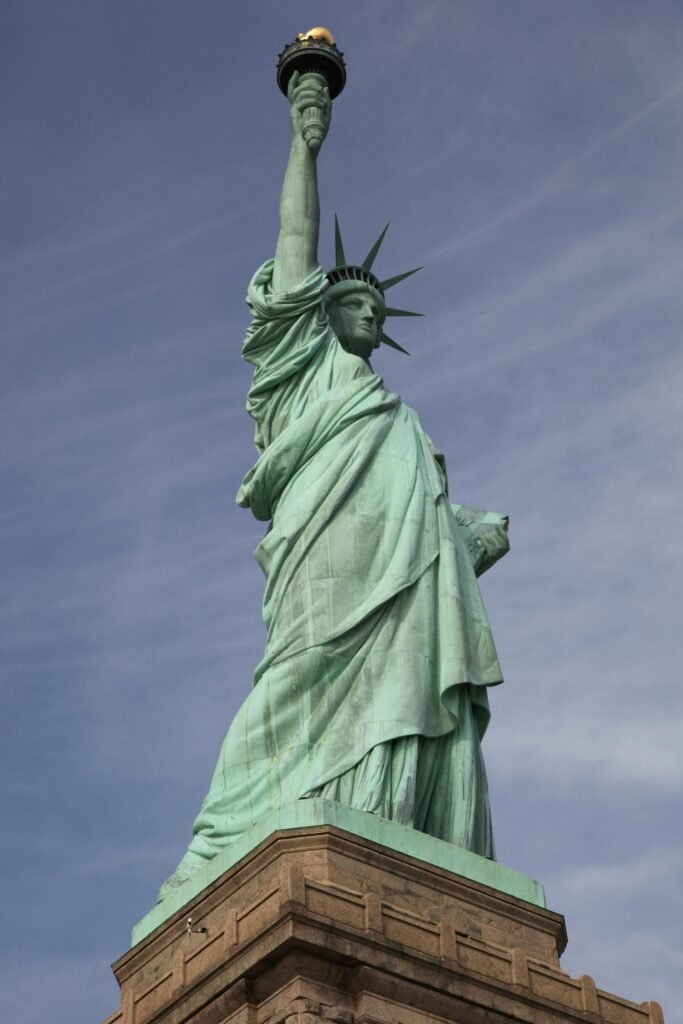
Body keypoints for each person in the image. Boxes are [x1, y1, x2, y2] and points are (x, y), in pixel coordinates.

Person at [159, 72, 509, 901]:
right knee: (292, 684)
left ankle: (394, 825)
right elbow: (294, 240)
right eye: (352, 299)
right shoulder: (301, 374)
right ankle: (221, 843)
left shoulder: (395, 414)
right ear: (317, 315)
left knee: (411, 683)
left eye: (376, 309)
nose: (368, 312)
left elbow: (419, 518)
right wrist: (304, 138)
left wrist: (462, 537)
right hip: (322, 563)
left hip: (404, 579)